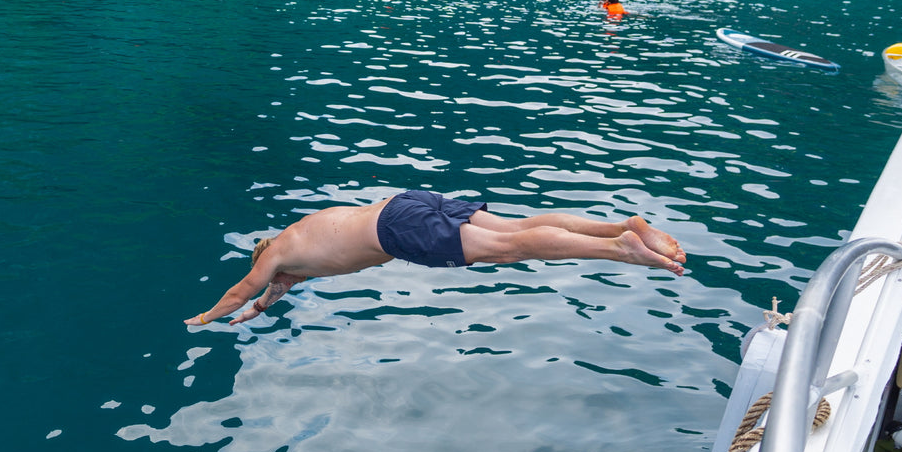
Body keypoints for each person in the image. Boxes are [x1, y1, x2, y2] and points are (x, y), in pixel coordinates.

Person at [185, 191, 685, 326]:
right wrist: (256, 311)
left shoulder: (275, 260)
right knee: (516, 226)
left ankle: (618, 249)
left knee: (508, 249)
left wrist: (207, 317)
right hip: (404, 203)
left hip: (399, 230)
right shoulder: (296, 240)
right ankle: (620, 226)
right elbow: (267, 296)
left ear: (267, 258)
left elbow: (244, 290)